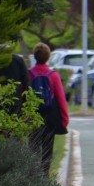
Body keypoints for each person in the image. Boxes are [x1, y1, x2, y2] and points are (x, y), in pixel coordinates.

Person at [28, 43, 70, 175]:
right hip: (50, 116)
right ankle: (44, 176)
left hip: (33, 115)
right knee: (47, 148)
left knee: (33, 146)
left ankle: (33, 175)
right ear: (48, 57)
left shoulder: (29, 74)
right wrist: (64, 119)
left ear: (35, 56)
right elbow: (61, 98)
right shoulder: (53, 75)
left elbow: (23, 96)